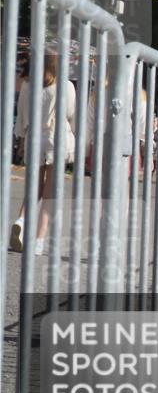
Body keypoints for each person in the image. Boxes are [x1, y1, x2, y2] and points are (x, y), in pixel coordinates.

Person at [10, 54, 76, 255]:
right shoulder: (66, 86)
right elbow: (71, 113)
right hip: (56, 136)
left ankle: (21, 220)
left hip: (33, 136)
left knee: (33, 185)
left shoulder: (29, 85)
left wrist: (21, 140)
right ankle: (38, 241)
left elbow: (21, 115)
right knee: (50, 192)